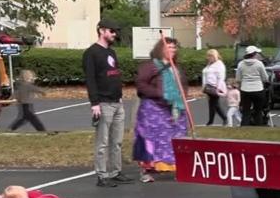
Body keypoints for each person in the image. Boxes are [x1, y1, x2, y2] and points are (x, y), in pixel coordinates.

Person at [133, 37, 189, 183]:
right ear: (161, 49)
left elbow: (183, 87)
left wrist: (181, 99)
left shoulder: (176, 68)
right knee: (149, 139)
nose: (172, 50)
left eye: (174, 48)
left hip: (174, 110)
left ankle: (176, 167)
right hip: (153, 109)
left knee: (175, 139)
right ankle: (146, 170)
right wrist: (159, 93)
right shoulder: (150, 66)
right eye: (169, 47)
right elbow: (141, 84)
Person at [83, 19, 132, 187]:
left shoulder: (111, 53)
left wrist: (119, 96)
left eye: (115, 32)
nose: (114, 34)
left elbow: (114, 74)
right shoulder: (91, 53)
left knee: (116, 141)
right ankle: (102, 175)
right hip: (103, 103)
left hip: (117, 102)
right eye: (112, 31)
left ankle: (115, 171)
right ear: (102, 31)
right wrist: (94, 103)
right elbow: (90, 79)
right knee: (102, 142)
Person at [235, 45, 269, 126]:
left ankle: (244, 127)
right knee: (258, 111)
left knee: (246, 111)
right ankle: (258, 127)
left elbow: (238, 79)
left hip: (245, 90)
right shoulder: (259, 64)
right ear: (254, 54)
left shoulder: (241, 64)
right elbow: (265, 78)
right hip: (258, 89)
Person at [201, 49, 227, 126]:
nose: (208, 57)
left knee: (214, 105)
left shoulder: (219, 64)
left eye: (210, 56)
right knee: (213, 104)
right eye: (208, 56)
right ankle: (212, 121)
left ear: (214, 56)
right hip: (208, 87)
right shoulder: (209, 64)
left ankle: (221, 119)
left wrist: (218, 88)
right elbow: (205, 75)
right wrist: (203, 86)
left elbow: (221, 77)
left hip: (214, 87)